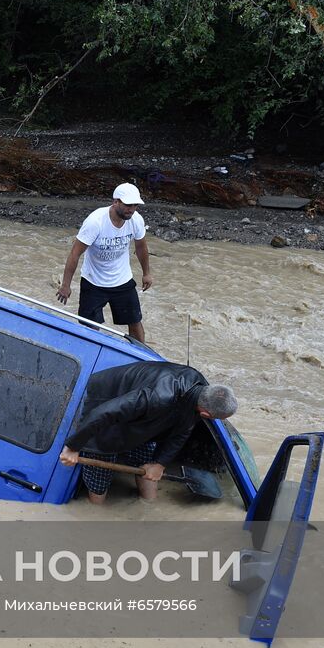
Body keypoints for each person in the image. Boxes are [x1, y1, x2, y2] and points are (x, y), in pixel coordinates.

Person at [58, 361, 237, 504]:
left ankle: (148, 510)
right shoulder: (158, 397)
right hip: (106, 408)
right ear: (206, 413)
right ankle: (96, 513)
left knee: (149, 467)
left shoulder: (200, 390)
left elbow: (183, 430)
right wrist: (73, 447)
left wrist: (160, 464)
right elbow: (104, 413)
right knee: (100, 480)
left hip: (141, 419)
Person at [56, 182, 152, 342]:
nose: (131, 209)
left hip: (122, 280)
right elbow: (75, 253)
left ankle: (142, 359)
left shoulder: (136, 220)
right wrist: (66, 285)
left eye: (135, 205)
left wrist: (147, 273)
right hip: (94, 282)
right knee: (90, 326)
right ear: (116, 202)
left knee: (135, 321)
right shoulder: (95, 222)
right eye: (128, 205)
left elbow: (141, 247)